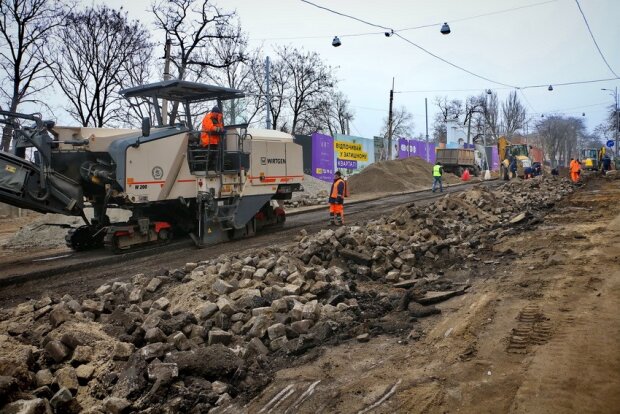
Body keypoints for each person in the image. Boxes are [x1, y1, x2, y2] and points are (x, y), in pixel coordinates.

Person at [201, 106, 225, 171]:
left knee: (215, 155)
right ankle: (206, 169)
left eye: (218, 113)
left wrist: (222, 130)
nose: (217, 114)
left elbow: (220, 127)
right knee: (210, 155)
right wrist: (219, 130)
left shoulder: (218, 119)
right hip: (207, 140)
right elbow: (210, 127)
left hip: (215, 141)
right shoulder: (208, 118)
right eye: (216, 113)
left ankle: (214, 169)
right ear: (213, 112)